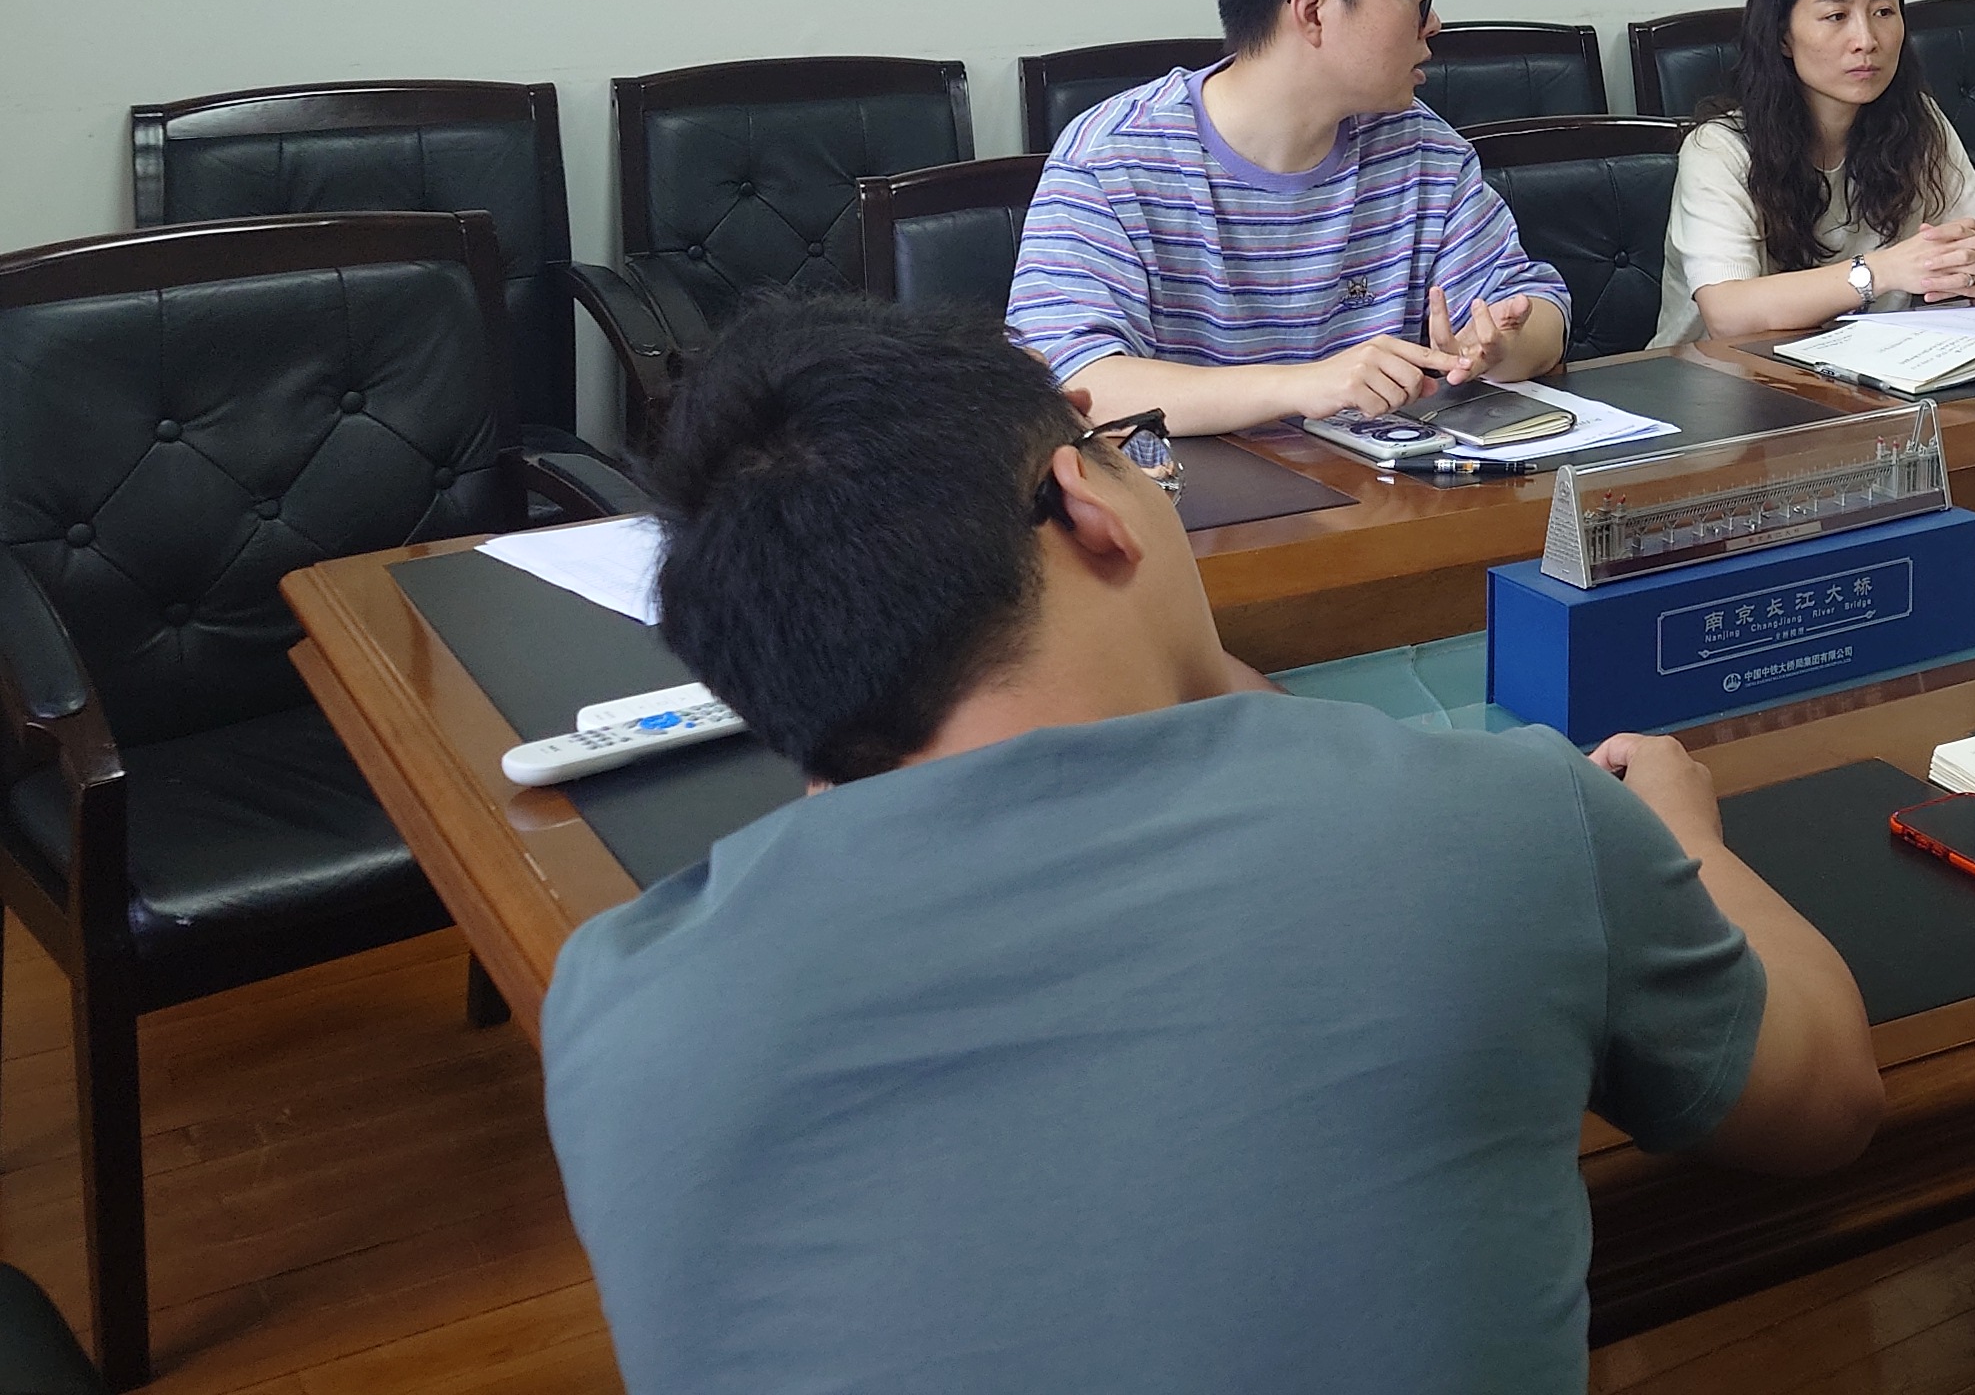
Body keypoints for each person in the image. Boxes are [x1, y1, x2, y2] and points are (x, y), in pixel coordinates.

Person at [543, 296, 1880, 1394]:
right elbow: (1824, 1103)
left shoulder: (619, 1004)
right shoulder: (1510, 822)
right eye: (1132, 448)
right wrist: (1682, 838)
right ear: (1088, 505)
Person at [1007, 0, 1567, 433]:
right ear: (1313, 11)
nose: (1433, 23)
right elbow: (1074, 384)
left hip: (1381, 485)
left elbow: (1535, 308)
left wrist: (1501, 348)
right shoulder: (1110, 159)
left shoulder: (1421, 149)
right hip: (1182, 490)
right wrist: (1302, 385)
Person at [1660, 0, 1975, 347]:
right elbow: (1728, 313)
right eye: (1836, 16)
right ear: (1783, 36)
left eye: (1883, 12)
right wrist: (1884, 270)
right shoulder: (1718, 148)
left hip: (1869, 365)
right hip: (1717, 376)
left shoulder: (1917, 121)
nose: (1866, 39)